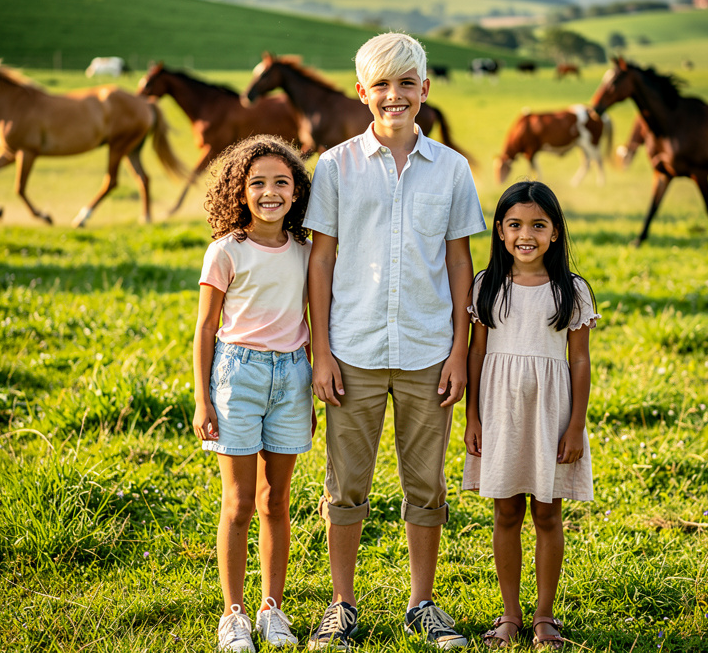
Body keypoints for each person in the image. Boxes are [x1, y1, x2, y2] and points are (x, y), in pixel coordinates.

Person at [303, 32, 486, 650]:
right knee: (346, 483)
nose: (394, 95)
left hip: (428, 351)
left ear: (425, 90)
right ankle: (342, 604)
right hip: (351, 350)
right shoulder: (334, 166)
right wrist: (322, 352)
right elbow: (321, 262)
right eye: (381, 84)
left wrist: (459, 349)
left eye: (406, 83)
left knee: (426, 485)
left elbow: (460, 264)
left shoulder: (453, 169)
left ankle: (421, 602)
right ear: (361, 93)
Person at [191, 135, 315, 653]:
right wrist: (202, 399)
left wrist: (312, 384)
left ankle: (272, 608)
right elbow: (204, 329)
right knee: (239, 502)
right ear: (239, 191)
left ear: (296, 192)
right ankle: (234, 613)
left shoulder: (307, 252)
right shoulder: (226, 250)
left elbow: (312, 317)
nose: (270, 192)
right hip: (236, 377)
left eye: (281, 183)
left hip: (292, 377)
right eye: (258, 183)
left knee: (276, 500)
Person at [462, 181, 598, 650]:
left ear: (555, 233)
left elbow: (579, 360)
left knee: (546, 513)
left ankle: (544, 616)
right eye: (516, 224)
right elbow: (476, 356)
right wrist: (472, 418)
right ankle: (510, 614)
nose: (527, 235)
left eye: (538, 225)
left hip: (551, 413)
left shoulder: (571, 291)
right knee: (505, 512)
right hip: (499, 411)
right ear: (500, 231)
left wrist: (576, 424)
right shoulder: (487, 287)